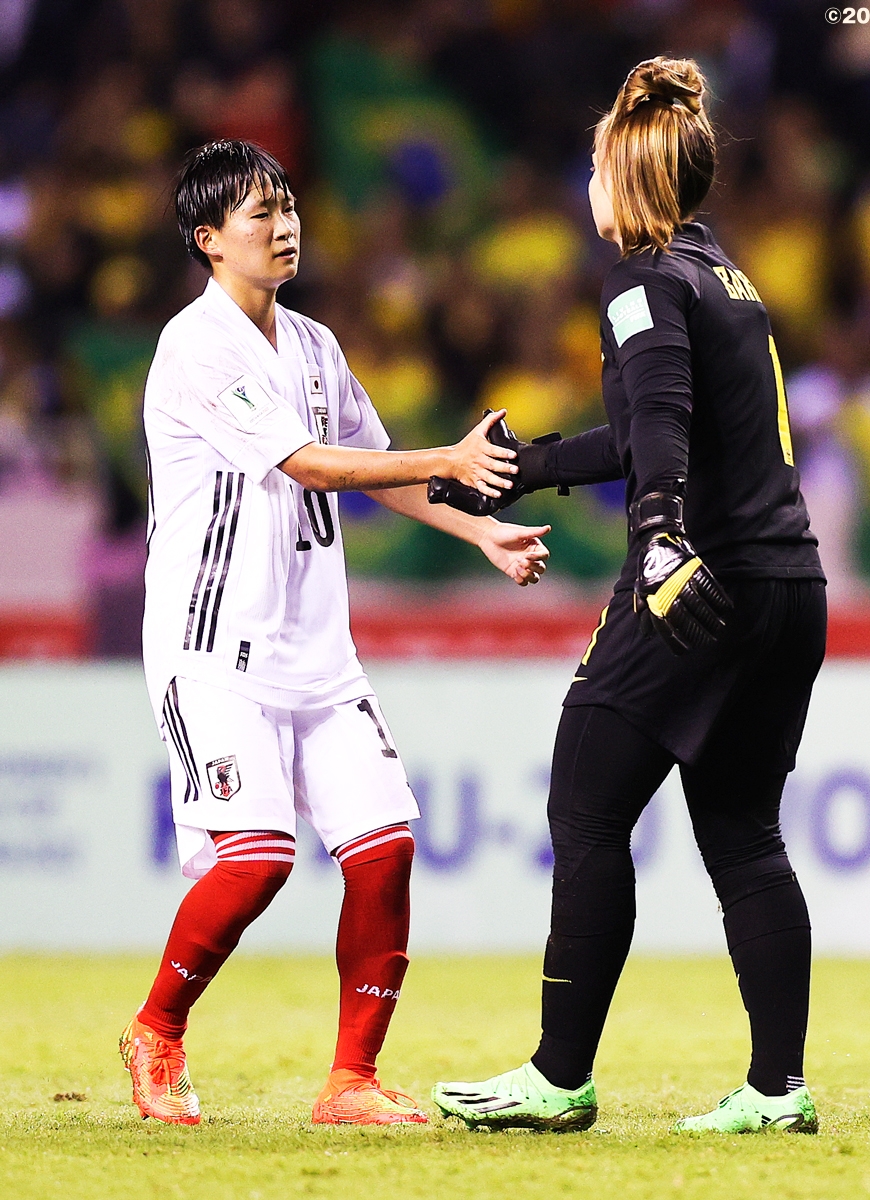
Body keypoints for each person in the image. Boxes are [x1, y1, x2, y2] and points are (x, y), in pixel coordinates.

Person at [432, 57, 826, 1135]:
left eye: (596, 162)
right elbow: (666, 423)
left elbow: (659, 431)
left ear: (626, 172)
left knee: (586, 805)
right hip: (793, 584)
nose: (586, 181)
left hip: (702, 583)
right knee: (745, 834)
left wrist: (655, 540)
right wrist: (535, 464)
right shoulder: (723, 278)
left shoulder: (641, 281)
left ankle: (560, 1079)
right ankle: (777, 1091)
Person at [122, 139, 549, 1127]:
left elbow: (376, 464)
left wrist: (479, 528)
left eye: (288, 205)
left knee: (384, 846)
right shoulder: (196, 346)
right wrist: (452, 452)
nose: (283, 224)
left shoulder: (313, 344)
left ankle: (350, 1081)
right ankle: (156, 1032)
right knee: (259, 855)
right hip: (213, 652)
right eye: (258, 213)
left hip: (319, 652)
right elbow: (312, 466)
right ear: (208, 240)